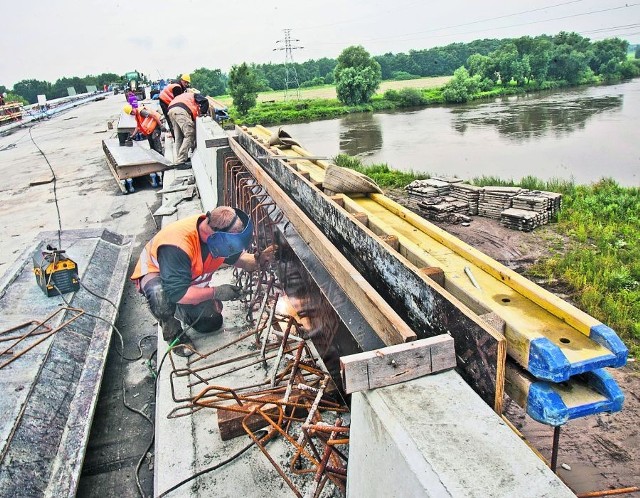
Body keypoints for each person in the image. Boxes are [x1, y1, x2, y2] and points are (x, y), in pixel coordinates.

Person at [130, 206, 276, 357]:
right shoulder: (177, 245)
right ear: (218, 237)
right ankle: (174, 334)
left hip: (185, 281)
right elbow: (179, 293)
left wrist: (259, 260)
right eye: (231, 243)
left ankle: (181, 309)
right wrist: (216, 292)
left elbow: (240, 259)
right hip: (159, 275)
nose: (232, 247)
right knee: (159, 295)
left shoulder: (217, 237)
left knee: (211, 323)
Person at [167, 91, 209, 169]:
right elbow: (205, 101)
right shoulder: (194, 96)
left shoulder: (184, 97)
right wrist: (203, 113)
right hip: (180, 111)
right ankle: (180, 161)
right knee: (190, 134)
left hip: (171, 110)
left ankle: (180, 159)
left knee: (179, 136)